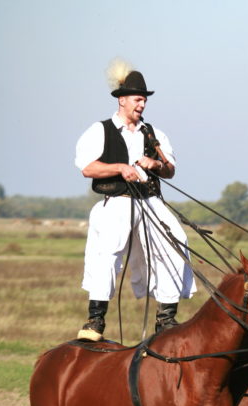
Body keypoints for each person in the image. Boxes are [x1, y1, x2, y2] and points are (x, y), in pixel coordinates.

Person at [74, 63, 196, 341]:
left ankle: (166, 319)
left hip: (150, 201)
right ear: (122, 99)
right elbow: (88, 168)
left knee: (175, 241)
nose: (142, 105)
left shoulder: (152, 133)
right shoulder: (100, 130)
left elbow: (170, 169)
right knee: (107, 253)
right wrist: (120, 167)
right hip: (116, 200)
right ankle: (95, 320)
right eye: (138, 99)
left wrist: (155, 162)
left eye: (144, 100)